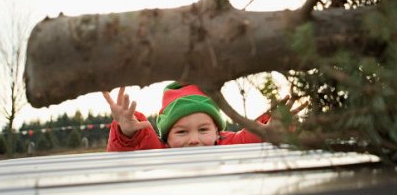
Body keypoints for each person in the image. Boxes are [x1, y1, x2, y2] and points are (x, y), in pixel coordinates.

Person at [102, 82, 299, 151]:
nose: (194, 140)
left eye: (203, 129)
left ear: (217, 131)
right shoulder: (161, 149)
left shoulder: (225, 144)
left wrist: (272, 130)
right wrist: (127, 132)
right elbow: (139, 144)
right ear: (167, 137)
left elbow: (252, 137)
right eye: (181, 132)